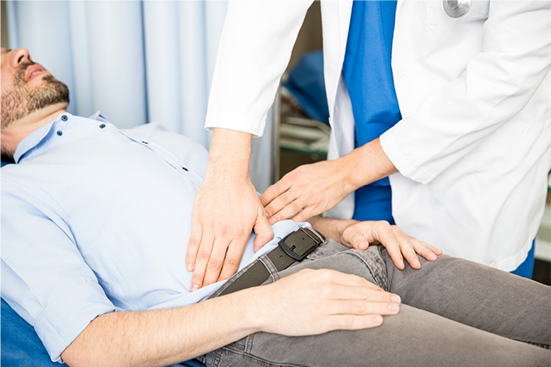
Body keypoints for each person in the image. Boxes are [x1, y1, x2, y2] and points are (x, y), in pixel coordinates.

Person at [1, 47, 550, 367]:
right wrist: (265, 308)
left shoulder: (145, 136)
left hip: (351, 254)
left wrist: (347, 226)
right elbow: (92, 349)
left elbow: (254, 217)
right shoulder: (16, 195)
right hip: (272, 315)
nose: (20, 52)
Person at [188, 0, 551, 290]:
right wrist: (227, 169)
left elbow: (514, 66)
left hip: (471, 174)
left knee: (479, 332)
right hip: (360, 165)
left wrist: (346, 174)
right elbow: (261, 11)